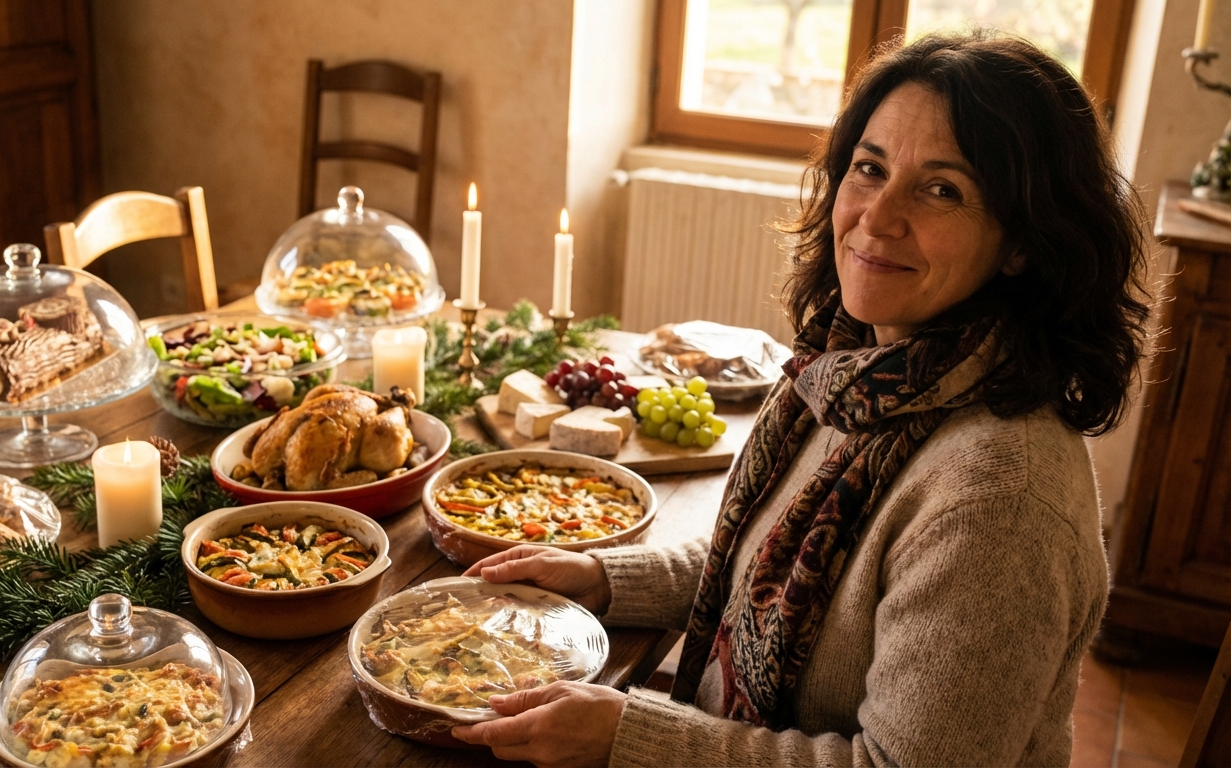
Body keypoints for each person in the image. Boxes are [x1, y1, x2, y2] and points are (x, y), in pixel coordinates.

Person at [451, 30, 1151, 767]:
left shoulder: (999, 500)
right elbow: (768, 563)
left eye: (942, 189)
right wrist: (604, 579)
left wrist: (629, 737)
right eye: (869, 169)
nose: (877, 217)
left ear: (1023, 242)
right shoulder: (859, 375)